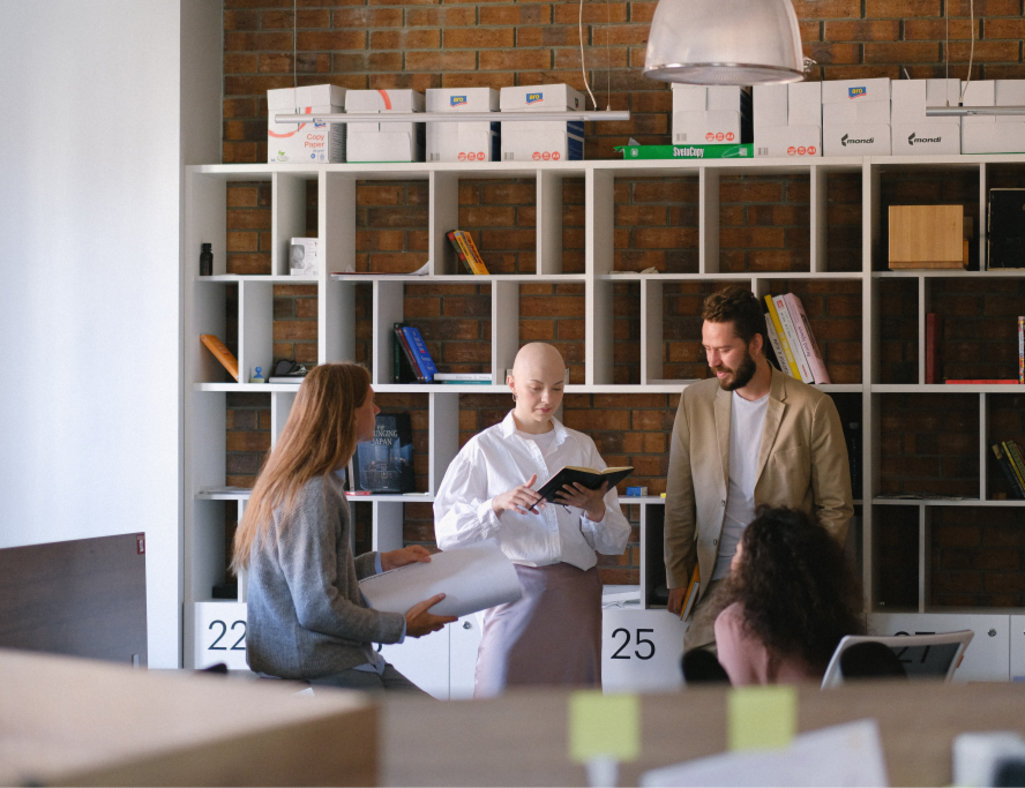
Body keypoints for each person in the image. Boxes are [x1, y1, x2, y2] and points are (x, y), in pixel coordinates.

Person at [232, 362, 457, 692]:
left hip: (337, 660)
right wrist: (402, 626)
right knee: (450, 735)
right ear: (349, 414)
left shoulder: (311, 484)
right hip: (324, 667)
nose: (377, 409)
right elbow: (318, 608)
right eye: (369, 401)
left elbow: (313, 577)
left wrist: (383, 562)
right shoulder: (314, 494)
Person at [434, 342, 632, 697]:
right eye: (535, 387)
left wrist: (595, 508)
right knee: (499, 697)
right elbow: (446, 532)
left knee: (575, 707)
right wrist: (494, 505)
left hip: (575, 594)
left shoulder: (580, 446)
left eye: (557, 387)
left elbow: (615, 542)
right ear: (511, 383)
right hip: (512, 593)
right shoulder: (484, 449)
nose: (547, 398)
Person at [664, 285, 853, 651]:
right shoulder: (695, 401)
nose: (712, 361)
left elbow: (836, 508)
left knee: (776, 681)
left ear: (755, 344)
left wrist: (808, 580)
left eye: (724, 349)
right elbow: (680, 498)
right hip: (715, 581)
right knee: (702, 675)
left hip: (785, 581)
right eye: (707, 348)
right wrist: (677, 576)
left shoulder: (812, 408)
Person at [713, 506, 865, 686]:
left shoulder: (736, 620)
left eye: (738, 552)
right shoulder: (830, 615)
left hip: (778, 714)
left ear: (757, 566)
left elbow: (741, 701)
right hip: (832, 713)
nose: (732, 562)